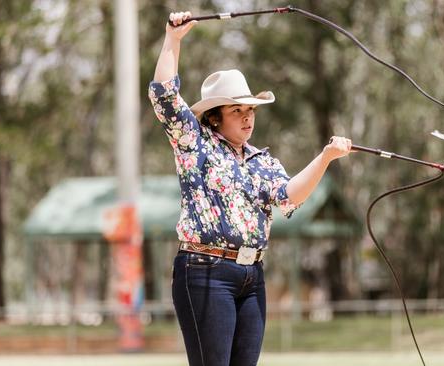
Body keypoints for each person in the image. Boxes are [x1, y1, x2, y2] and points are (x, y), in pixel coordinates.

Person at [148, 11, 351, 366]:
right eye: (237, 110)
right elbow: (165, 96)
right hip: (205, 271)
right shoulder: (195, 144)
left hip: (252, 277)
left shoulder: (263, 162)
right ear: (215, 117)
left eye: (251, 111)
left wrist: (326, 157)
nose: (247, 117)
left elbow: (289, 195)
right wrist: (173, 39)